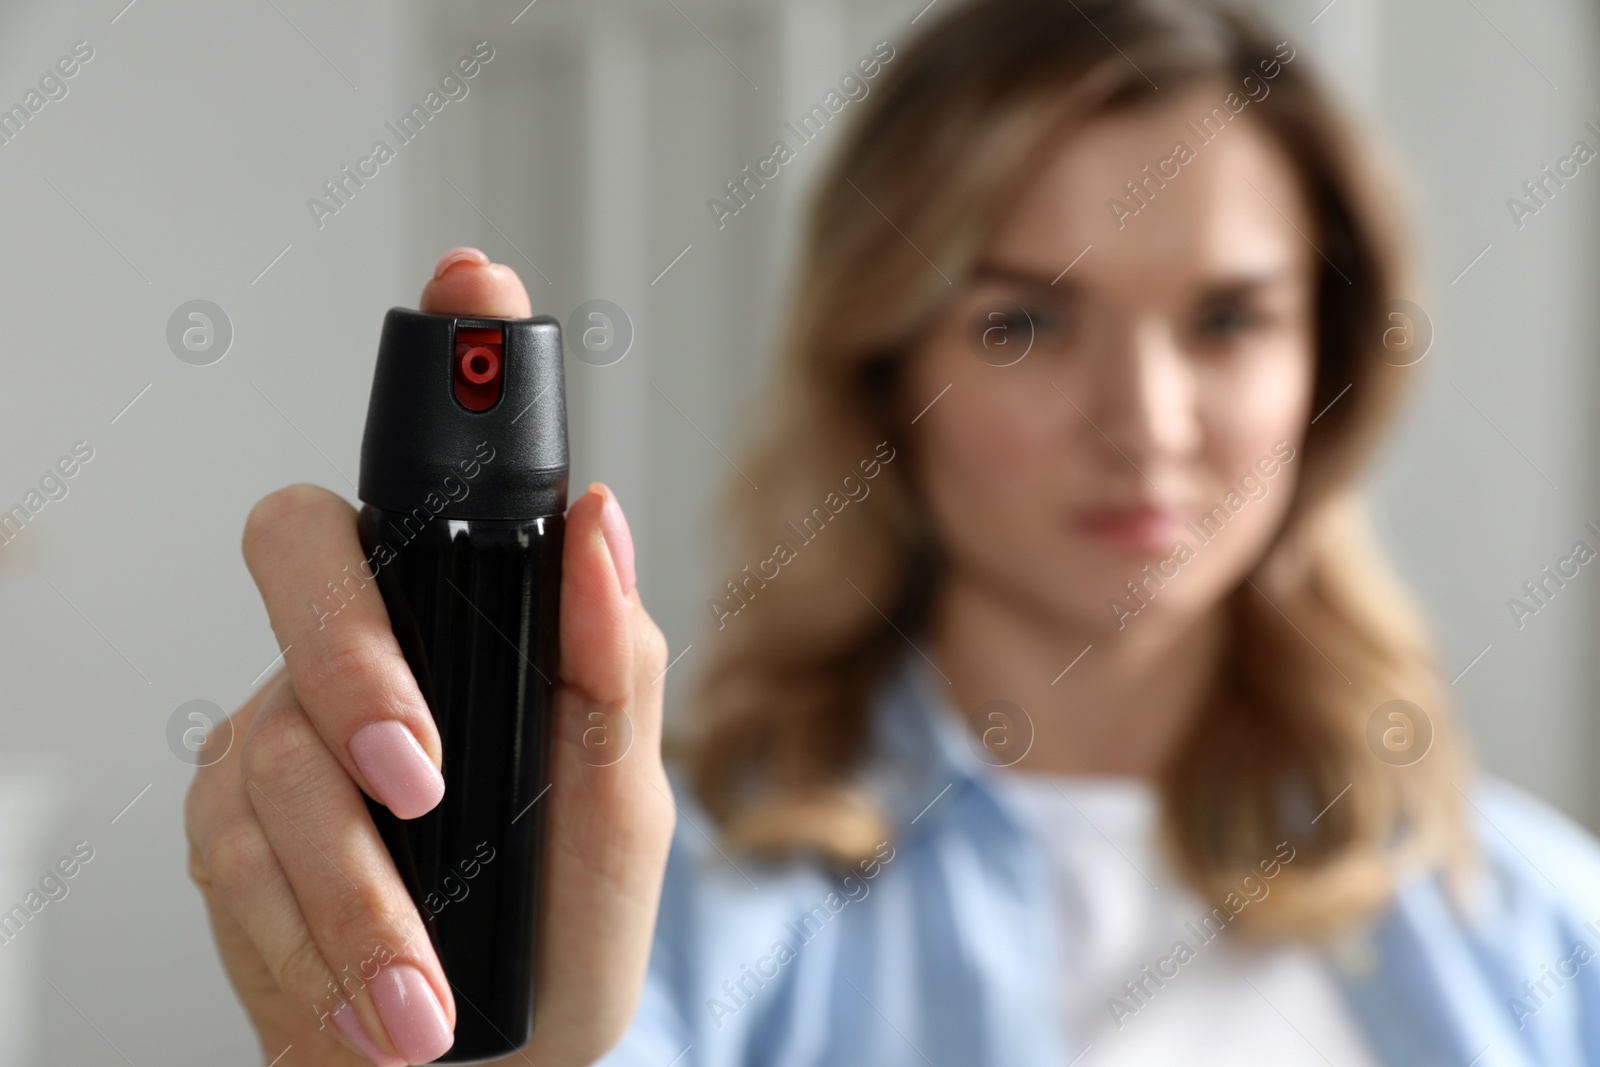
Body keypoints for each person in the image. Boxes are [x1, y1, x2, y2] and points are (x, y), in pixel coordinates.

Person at [185, 0, 1600, 1064]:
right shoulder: (635, 917)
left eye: (1229, 319)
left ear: (1331, 370)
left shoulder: (1540, 923)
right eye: (1026, 321)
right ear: (886, 374)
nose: (1148, 419)